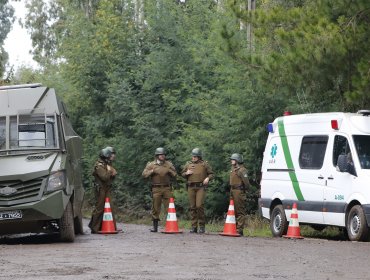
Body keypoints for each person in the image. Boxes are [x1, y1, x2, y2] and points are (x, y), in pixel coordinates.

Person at [142, 147, 177, 232]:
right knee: (155, 207)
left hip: (167, 188)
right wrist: (151, 171)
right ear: (157, 156)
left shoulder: (169, 164)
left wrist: (170, 171)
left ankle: (170, 226)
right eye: (160, 155)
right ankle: (155, 227)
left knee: (169, 207)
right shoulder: (151, 164)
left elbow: (175, 175)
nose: (162, 156)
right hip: (156, 188)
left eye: (163, 155)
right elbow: (144, 174)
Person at [181, 148, 214, 234]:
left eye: (195, 156)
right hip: (191, 187)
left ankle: (202, 226)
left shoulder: (204, 164)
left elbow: (211, 174)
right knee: (192, 207)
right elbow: (182, 174)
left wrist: (207, 178)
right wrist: (186, 173)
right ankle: (194, 226)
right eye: (193, 156)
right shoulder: (188, 164)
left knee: (199, 206)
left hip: (200, 187)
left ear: (199, 157)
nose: (193, 158)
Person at [88, 146, 118, 234]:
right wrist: (109, 172)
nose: (113, 156)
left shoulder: (107, 164)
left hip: (106, 188)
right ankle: (94, 227)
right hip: (100, 189)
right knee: (99, 208)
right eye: (111, 154)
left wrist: (113, 174)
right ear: (107, 155)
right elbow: (104, 177)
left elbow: (110, 177)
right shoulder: (99, 165)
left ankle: (112, 227)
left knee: (110, 207)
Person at [229, 153, 250, 236]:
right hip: (232, 190)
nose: (231, 161)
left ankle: (239, 229)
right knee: (232, 210)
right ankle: (233, 227)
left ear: (237, 161)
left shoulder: (242, 170)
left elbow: (246, 183)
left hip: (239, 191)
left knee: (240, 210)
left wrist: (244, 191)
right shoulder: (233, 169)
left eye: (233, 159)